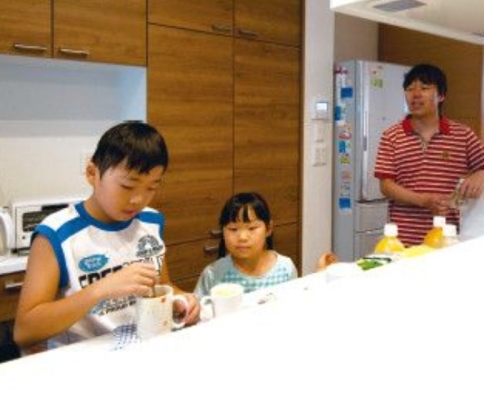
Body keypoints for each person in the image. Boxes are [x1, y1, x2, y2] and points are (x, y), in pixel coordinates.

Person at [14, 121, 200, 352]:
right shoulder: (56, 235)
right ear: (92, 173)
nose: (138, 199)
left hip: (144, 348)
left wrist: (182, 300)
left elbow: (162, 285)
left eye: (151, 187)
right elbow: (25, 331)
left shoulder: (151, 221)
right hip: (84, 358)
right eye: (127, 186)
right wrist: (100, 289)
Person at [374, 64, 484, 247]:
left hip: (448, 238)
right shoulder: (391, 136)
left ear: (441, 95)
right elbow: (386, 186)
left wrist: (483, 174)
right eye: (410, 89)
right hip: (402, 240)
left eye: (424, 88)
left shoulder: (462, 135)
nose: (415, 94)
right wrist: (423, 201)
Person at [194, 192, 298, 297]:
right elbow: (198, 306)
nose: (242, 237)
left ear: (268, 228)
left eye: (252, 228)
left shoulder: (285, 269)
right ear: (223, 231)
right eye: (233, 229)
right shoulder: (213, 274)